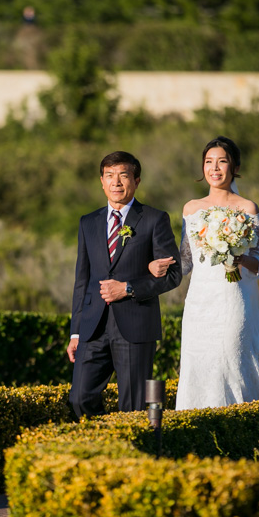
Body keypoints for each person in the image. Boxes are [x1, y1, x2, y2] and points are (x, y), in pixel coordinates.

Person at [148, 136, 259, 410]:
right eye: (209, 162)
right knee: (199, 363)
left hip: (233, 299)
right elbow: (186, 260)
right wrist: (155, 266)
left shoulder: (247, 208)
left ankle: (243, 422)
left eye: (222, 161)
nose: (214, 168)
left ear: (234, 167)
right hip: (200, 302)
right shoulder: (191, 209)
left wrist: (240, 257)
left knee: (231, 358)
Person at [68, 151, 182, 417]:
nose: (116, 182)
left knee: (132, 408)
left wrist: (128, 288)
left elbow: (173, 275)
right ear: (101, 181)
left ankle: (130, 454)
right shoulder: (88, 222)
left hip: (135, 323)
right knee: (79, 399)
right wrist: (76, 332)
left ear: (137, 180)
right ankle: (102, 448)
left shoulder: (155, 219)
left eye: (123, 175)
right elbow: (81, 281)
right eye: (109, 176)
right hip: (93, 326)